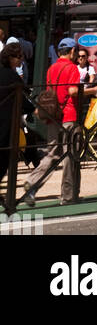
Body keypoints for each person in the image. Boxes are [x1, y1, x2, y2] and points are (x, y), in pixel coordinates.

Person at [21, 38, 82, 207]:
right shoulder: (72, 68)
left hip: (53, 116)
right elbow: (73, 91)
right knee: (70, 155)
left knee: (52, 153)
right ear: (71, 51)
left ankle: (32, 181)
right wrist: (94, 90)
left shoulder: (51, 69)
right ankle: (68, 196)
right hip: (69, 115)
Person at [0, 45, 34, 185]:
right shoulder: (12, 76)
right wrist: (33, 108)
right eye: (18, 57)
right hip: (6, 123)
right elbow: (24, 99)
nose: (21, 60)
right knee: (4, 159)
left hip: (5, 120)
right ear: (9, 58)